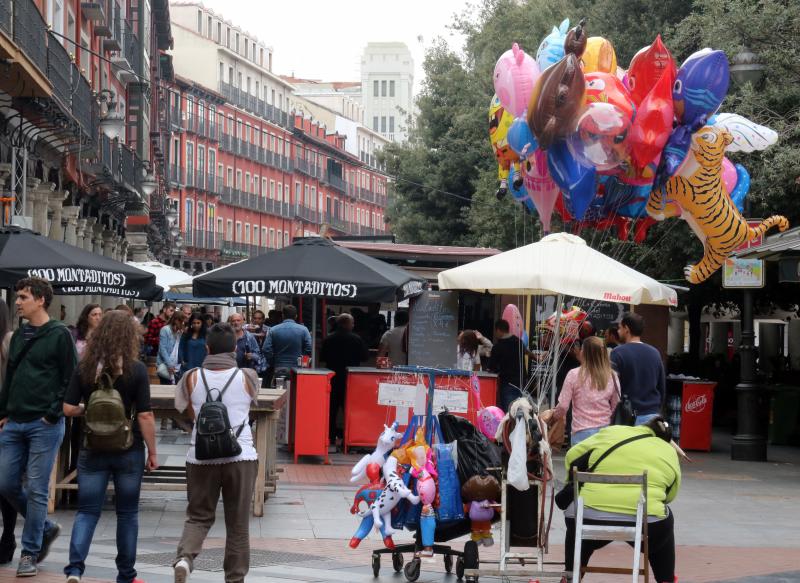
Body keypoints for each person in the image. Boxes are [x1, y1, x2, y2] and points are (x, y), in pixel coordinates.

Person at [62, 311, 158, 583]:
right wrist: (152, 452)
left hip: (92, 448)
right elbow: (145, 415)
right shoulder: (136, 369)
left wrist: (89, 411)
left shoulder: (84, 366)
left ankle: (75, 570)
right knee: (127, 514)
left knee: (87, 511)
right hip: (129, 449)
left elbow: (68, 408)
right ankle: (126, 575)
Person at [172, 323, 261, 583]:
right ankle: (234, 579)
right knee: (237, 524)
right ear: (235, 348)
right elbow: (252, 404)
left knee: (198, 516)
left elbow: (187, 411)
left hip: (200, 456)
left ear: (207, 348)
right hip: (240, 455)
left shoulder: (191, 376)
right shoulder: (248, 376)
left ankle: (185, 558)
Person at [0, 277, 76, 576]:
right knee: (4, 483)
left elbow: (71, 376)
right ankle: (44, 527)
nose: (17, 302)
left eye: (23, 297)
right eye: (17, 297)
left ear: (40, 300)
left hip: (44, 424)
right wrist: (3, 411)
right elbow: (11, 375)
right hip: (14, 421)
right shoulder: (18, 335)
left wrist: (53, 413)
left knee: (36, 489)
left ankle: (29, 553)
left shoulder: (59, 334)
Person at [560, 417, 681, 583]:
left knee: (579, 518)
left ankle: (571, 575)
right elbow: (670, 495)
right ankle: (665, 579)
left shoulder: (611, 432)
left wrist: (571, 480)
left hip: (590, 518)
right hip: (647, 525)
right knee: (663, 516)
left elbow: (572, 455)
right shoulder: (668, 451)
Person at [547, 337, 620, 445]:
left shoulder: (574, 374)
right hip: (605, 432)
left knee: (578, 461)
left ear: (584, 353)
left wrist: (554, 417)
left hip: (581, 432)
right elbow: (616, 404)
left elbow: (563, 405)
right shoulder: (612, 375)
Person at [610, 313, 666, 425]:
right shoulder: (655, 353)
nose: (618, 331)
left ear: (627, 329)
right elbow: (662, 386)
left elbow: (611, 387)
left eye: (620, 328)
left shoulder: (617, 353)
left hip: (627, 416)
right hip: (653, 416)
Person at [321, 314, 368, 443]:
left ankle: (330, 437)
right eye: (352, 323)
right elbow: (365, 357)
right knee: (349, 410)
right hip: (351, 379)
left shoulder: (329, 339)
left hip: (333, 378)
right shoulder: (357, 339)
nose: (353, 325)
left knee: (332, 410)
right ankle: (348, 438)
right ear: (346, 324)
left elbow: (323, 357)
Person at [0, 302, 16, 564]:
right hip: (8, 417)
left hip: (6, 419)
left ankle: (9, 537)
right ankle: (9, 538)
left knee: (5, 484)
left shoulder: (10, 342)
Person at [488, 319, 531, 412]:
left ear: (498, 330)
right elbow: (526, 351)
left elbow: (492, 368)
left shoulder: (497, 347)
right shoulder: (518, 342)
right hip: (522, 382)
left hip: (507, 384)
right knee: (521, 412)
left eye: (495, 332)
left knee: (509, 413)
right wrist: (537, 358)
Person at [262, 305, 312, 376]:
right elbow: (309, 347)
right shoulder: (304, 330)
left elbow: (266, 349)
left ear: (283, 315)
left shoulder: (273, 330)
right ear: (296, 316)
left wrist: (273, 361)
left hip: (279, 366)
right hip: (297, 367)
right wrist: (301, 358)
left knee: (279, 386)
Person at [157, 312, 187, 384]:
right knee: (165, 388)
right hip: (166, 364)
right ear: (176, 320)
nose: (183, 324)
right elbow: (162, 349)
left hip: (177, 366)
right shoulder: (165, 330)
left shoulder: (180, 332)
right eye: (181, 321)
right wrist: (170, 365)